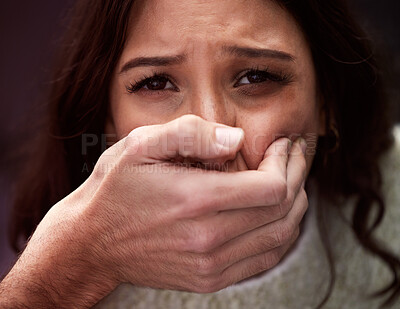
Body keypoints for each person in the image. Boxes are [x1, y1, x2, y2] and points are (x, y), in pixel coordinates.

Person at [1, 0, 399, 308]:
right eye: (156, 83)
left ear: (327, 104)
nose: (210, 136)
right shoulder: (61, 269)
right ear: (108, 126)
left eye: (256, 77)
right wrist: (65, 272)